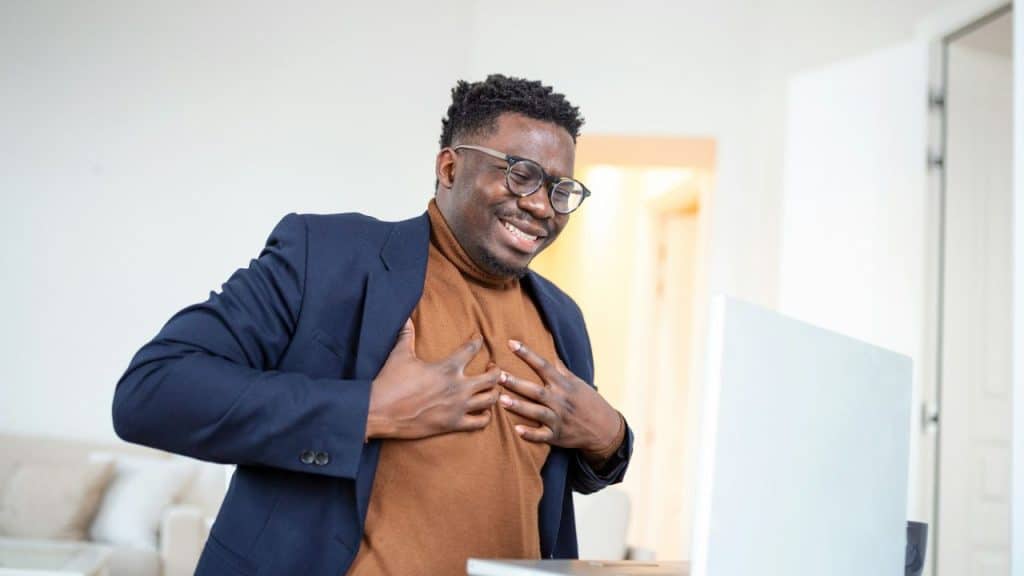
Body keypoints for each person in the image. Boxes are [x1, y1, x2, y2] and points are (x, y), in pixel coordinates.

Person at [113, 74, 633, 576]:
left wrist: (610, 435)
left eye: (560, 189)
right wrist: (369, 411)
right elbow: (153, 392)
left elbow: (557, 474)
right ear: (450, 169)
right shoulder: (328, 257)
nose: (541, 206)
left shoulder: (563, 318)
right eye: (520, 173)